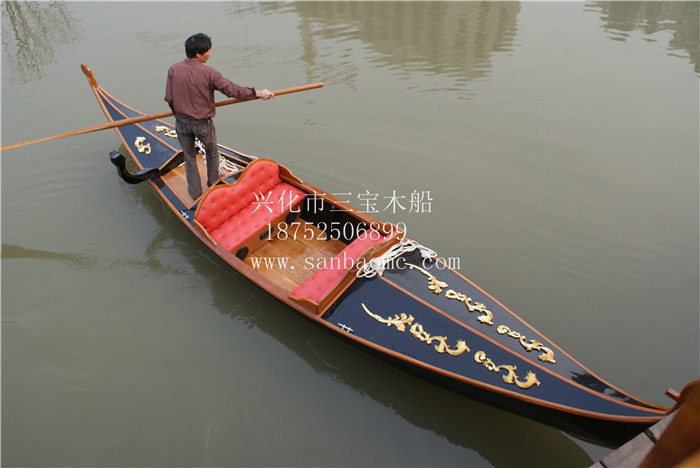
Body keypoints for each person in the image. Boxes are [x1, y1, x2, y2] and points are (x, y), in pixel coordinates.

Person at [165, 33, 275, 199]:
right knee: (212, 153)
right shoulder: (209, 73)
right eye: (208, 50)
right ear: (198, 53)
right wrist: (258, 93)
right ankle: (214, 186)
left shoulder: (173, 69)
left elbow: (169, 98)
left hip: (181, 122)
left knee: (189, 157)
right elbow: (232, 90)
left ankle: (194, 193)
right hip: (202, 123)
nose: (210, 53)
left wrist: (179, 114)